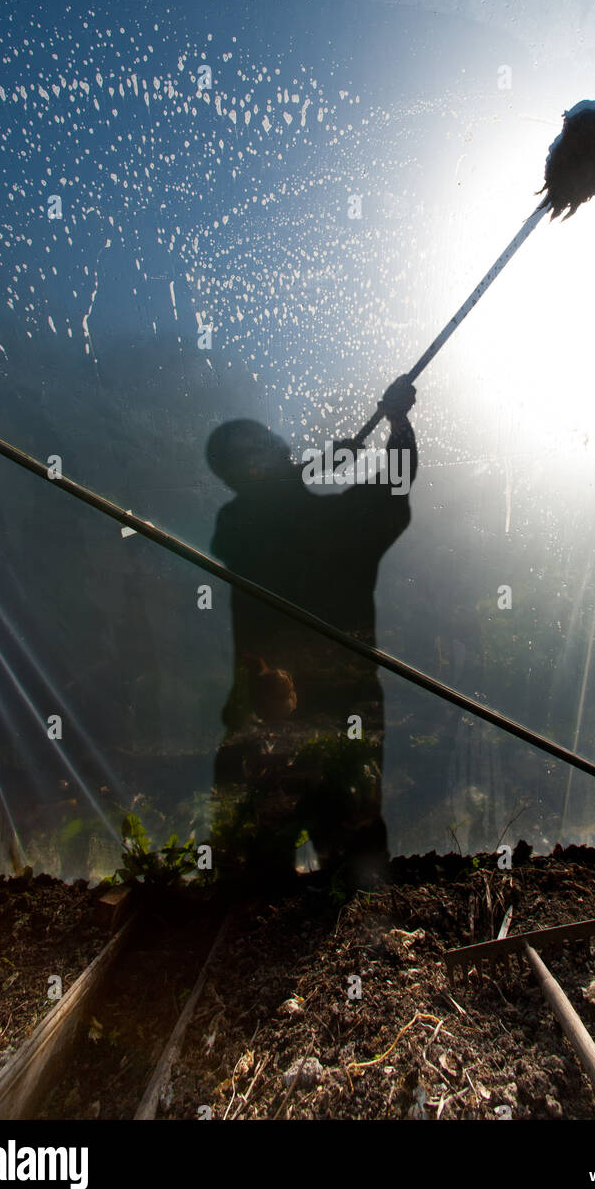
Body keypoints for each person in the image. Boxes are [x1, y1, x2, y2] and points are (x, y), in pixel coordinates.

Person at [206, 375, 417, 892]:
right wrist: (327, 460)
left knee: (347, 846)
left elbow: (391, 483)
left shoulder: (279, 523)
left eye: (269, 442)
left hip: (318, 707)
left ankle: (344, 929)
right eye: (257, 451)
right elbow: (387, 488)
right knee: (262, 860)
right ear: (238, 476)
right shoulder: (245, 525)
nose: (273, 450)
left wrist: (397, 425)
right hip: (280, 706)